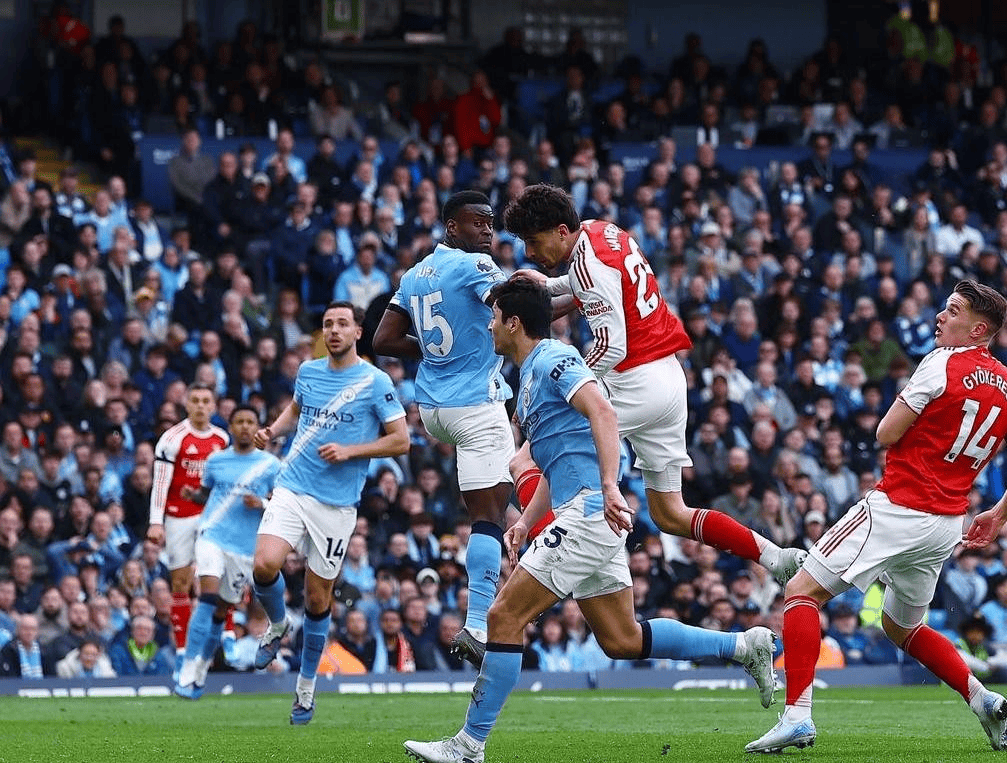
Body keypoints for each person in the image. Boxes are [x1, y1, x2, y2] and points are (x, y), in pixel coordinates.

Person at [403, 278, 776, 763]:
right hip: (582, 511)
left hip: (588, 513)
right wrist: (527, 520)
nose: (488, 326)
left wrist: (609, 486)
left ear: (513, 322)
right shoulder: (529, 377)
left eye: (493, 318)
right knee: (622, 638)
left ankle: (468, 745)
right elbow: (558, 460)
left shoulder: (554, 359)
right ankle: (743, 646)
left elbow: (602, 411)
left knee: (503, 617)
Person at [503, 185, 804, 596]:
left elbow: (611, 345)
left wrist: (564, 386)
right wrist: (549, 286)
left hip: (634, 380)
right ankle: (777, 557)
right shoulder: (600, 229)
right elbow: (599, 286)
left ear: (560, 231)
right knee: (670, 513)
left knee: (525, 459)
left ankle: (546, 561)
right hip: (669, 379)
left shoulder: (589, 266)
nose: (529, 252)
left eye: (534, 242)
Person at [748, 280, 1007, 754]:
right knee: (902, 627)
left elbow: (886, 433)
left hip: (899, 507)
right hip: (945, 524)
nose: (940, 316)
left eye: (953, 311)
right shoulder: (1005, 383)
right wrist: (999, 514)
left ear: (978, 329)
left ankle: (797, 717)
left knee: (801, 591)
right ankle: (983, 699)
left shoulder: (941, 362)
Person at [373, 191, 515, 666]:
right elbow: (517, 310)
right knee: (490, 517)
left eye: (490, 223)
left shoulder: (414, 274)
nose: (488, 231)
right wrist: (580, 296)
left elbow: (383, 339)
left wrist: (438, 355)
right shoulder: (475, 266)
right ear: (452, 226)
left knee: (491, 510)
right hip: (475, 405)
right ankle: (478, 623)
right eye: (478, 223)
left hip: (434, 409)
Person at [251, 301, 409, 724]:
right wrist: (273, 430)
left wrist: (351, 451)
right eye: (327, 324)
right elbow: (296, 410)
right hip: (293, 485)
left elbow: (401, 440)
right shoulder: (308, 371)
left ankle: (305, 689)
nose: (334, 330)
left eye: (342, 324)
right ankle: (278, 624)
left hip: (337, 506)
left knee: (318, 597)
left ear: (358, 331)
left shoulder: (375, 381)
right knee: (264, 564)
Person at [172, 405, 280, 700]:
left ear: (258, 428)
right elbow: (208, 495)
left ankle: (201, 669)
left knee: (221, 612)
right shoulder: (216, 460)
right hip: (212, 536)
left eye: (250, 422)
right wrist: (192, 495)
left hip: (243, 550)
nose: (245, 426)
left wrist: (262, 504)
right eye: (239, 422)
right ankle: (187, 666)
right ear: (231, 428)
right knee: (207, 597)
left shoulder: (270, 465)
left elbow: (284, 505)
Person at [146, 383, 229, 671]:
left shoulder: (222, 439)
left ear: (213, 406)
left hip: (210, 517)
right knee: (180, 584)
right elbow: (160, 483)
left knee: (217, 576)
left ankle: (226, 635)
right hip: (178, 517)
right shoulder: (172, 438)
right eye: (196, 401)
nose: (201, 406)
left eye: (206, 401)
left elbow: (225, 483)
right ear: (187, 404)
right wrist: (156, 522)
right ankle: (182, 649)